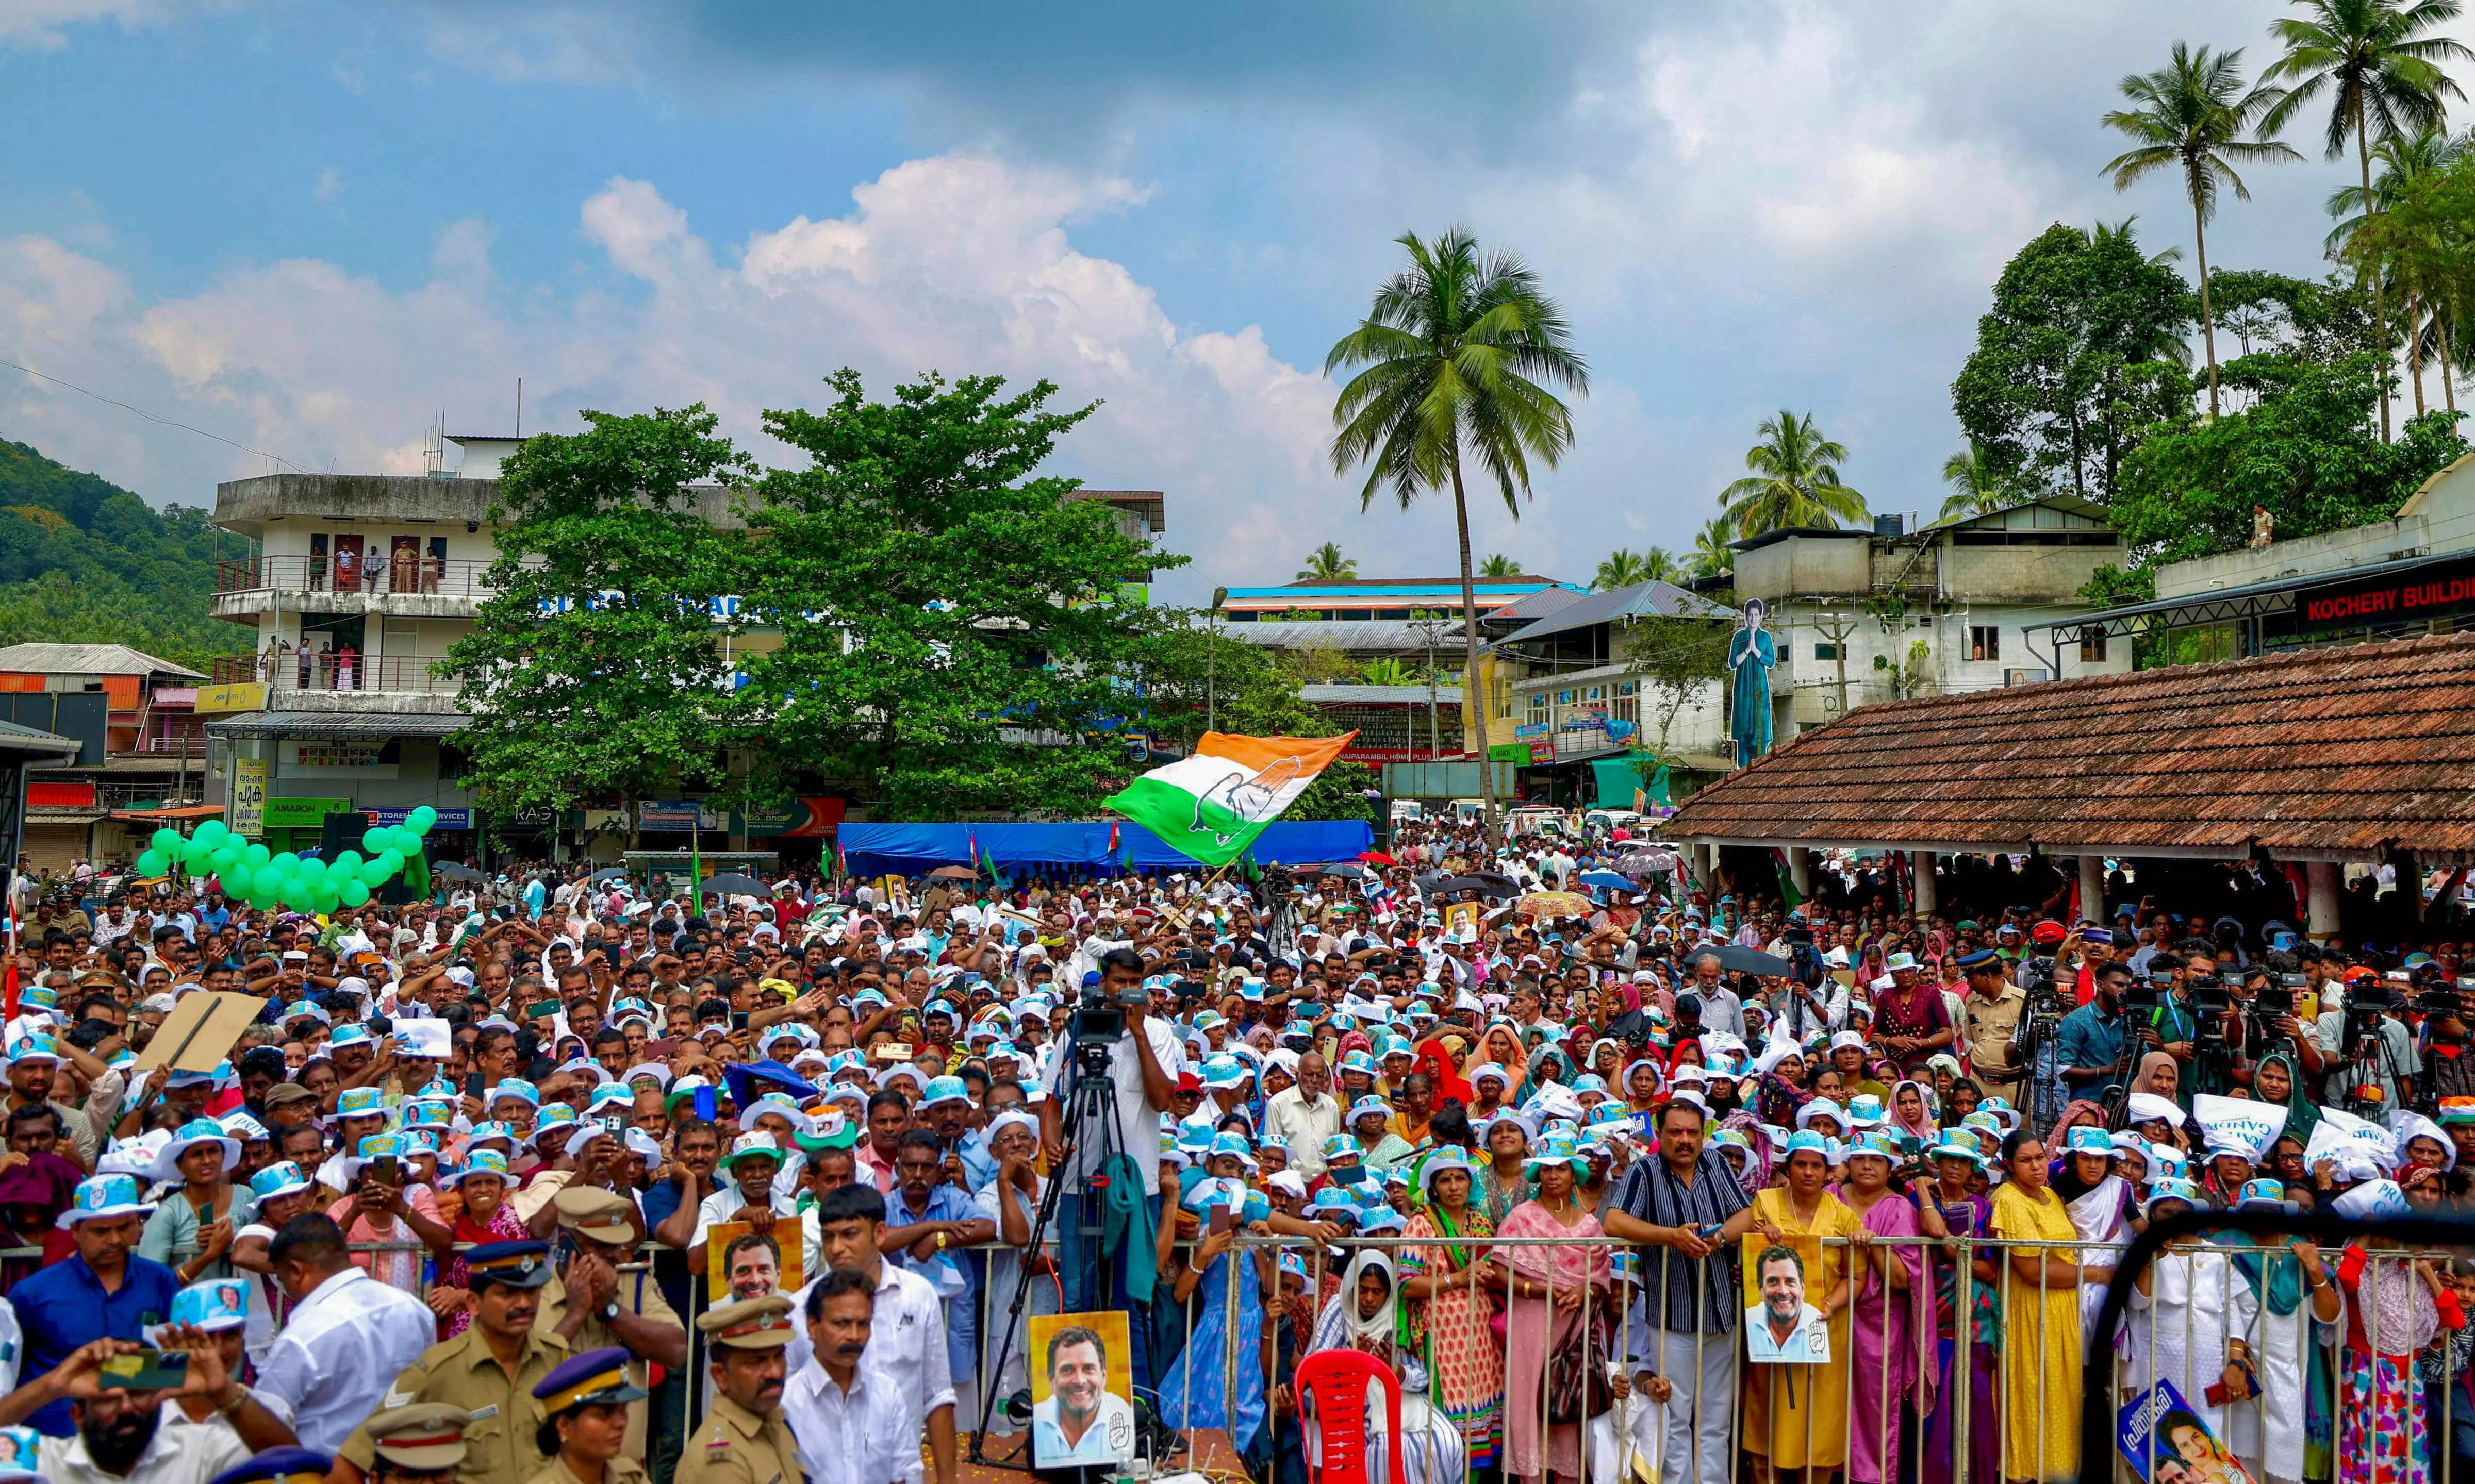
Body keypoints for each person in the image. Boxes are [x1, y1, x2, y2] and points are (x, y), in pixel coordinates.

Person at [1601, 1099, 1758, 1484]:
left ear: (1703, 1135)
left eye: (1692, 1132)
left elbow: (1748, 1213)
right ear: (1660, 1135)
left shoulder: (1716, 1164)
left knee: (1717, 1421)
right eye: (1676, 1132)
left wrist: (1719, 1237)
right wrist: (1670, 1237)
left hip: (1722, 1310)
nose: (1685, 1140)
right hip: (1673, 1314)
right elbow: (1613, 1220)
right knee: (1673, 1418)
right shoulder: (1645, 1171)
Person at [333, 1241, 567, 1484]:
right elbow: (353, 1460)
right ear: (474, 1303)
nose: (524, 1304)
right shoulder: (436, 1369)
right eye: (507, 1294)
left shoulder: (556, 1358)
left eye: (531, 1292)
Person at [12, 1175, 183, 1437]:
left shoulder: (161, 1280)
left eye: (125, 1227)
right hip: (54, 1442)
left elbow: (172, 1365)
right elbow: (9, 1374)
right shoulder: (32, 1293)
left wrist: (110, 1371)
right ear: (75, 1232)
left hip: (136, 1437)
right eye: (101, 1231)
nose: (114, 1239)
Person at [253, 1215, 437, 1454]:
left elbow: (263, 1423)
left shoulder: (303, 1338)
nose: (285, 1288)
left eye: (282, 1278)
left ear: (296, 1270)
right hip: (404, 1467)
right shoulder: (413, 1309)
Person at [1494, 1131, 1612, 1484]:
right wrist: (1539, 1288)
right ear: (1537, 1176)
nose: (1553, 1176)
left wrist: (1586, 1290)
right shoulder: (1520, 1217)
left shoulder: (1591, 1226)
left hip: (1573, 1327)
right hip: (1530, 1321)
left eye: (1561, 1168)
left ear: (1573, 1173)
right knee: (1529, 1401)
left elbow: (1603, 1278)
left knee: (1569, 1403)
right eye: (1546, 1170)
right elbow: (1499, 1269)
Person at [1739, 1130, 1856, 1481]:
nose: (1808, 1172)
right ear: (1787, 1168)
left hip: (1824, 1326)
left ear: (1828, 1170)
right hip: (1773, 1326)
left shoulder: (1843, 1213)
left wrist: (1830, 1306)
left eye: (1816, 1165)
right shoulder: (1765, 1201)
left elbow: (1857, 1276)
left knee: (1821, 1422)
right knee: (1769, 1417)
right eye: (1801, 1164)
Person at [1396, 1149, 1505, 1472]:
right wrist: (1457, 1278)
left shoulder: (1483, 1224)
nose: (1454, 1186)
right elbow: (1406, 1285)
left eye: (1460, 1178)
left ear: (1471, 1184)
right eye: (1445, 1180)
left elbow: (1500, 1270)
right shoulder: (1421, 1225)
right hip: (1444, 1339)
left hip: (1485, 1341)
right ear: (1434, 1187)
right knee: (1449, 1434)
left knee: (1488, 1432)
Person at [1990, 1130, 2081, 1484]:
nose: (2036, 1166)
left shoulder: (2050, 1196)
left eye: (2040, 1157)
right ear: (2009, 1165)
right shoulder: (2009, 1199)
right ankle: (2022, 1474)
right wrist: (2096, 1274)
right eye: (2025, 1160)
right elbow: (2030, 1270)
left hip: (2062, 1309)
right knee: (2029, 1395)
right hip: (2029, 1310)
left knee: (2059, 1397)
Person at [783, 1270, 914, 1484]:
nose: (854, 1336)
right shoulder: (788, 1405)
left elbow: (905, 1472)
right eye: (841, 1324)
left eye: (863, 1324)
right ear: (812, 1327)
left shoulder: (887, 1394)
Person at [678, 1297, 800, 1484]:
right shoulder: (722, 1463)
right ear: (720, 1375)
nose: (774, 1372)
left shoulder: (775, 1424)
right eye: (757, 1361)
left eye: (779, 1356)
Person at [526, 1347, 650, 1484]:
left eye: (623, 1411)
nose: (620, 1423)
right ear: (564, 1425)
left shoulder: (632, 1479)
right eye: (604, 1414)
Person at [1029, 1325, 1135, 1468]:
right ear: (1051, 1380)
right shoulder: (1039, 1421)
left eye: (1088, 1369)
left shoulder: (1125, 1417)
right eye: (1067, 1370)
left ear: (1104, 1376)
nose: (1080, 1381)